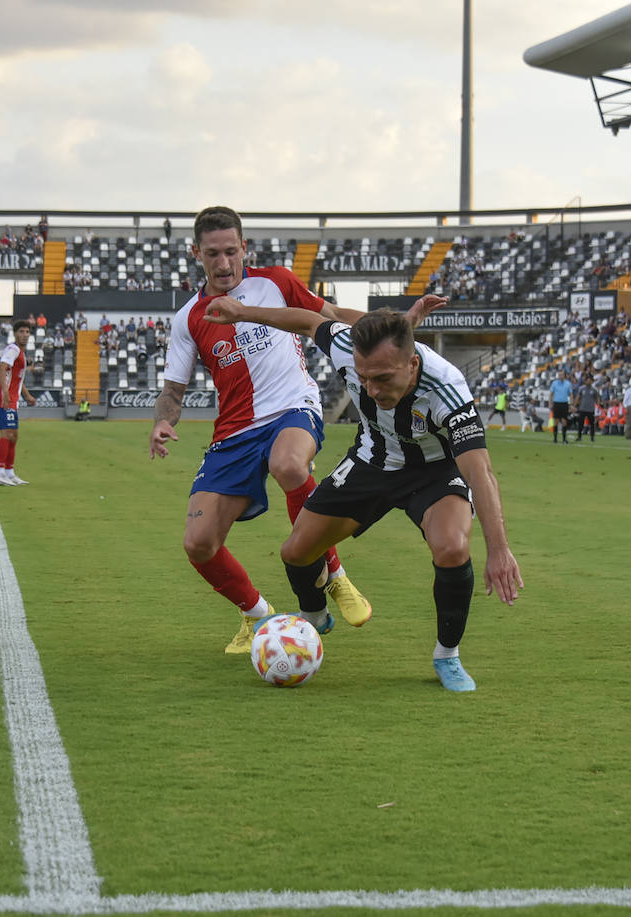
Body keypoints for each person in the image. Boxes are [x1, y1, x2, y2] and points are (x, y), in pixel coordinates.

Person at [203, 302, 521, 692]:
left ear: (413, 367)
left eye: (383, 379)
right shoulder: (345, 347)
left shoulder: (449, 391)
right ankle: (316, 615)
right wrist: (242, 312)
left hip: (434, 473)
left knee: (453, 548)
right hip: (372, 461)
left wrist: (499, 549)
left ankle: (447, 656)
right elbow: (306, 320)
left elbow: (480, 471)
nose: (371, 390)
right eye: (364, 378)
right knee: (295, 552)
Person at [149, 205, 406, 654]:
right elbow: (174, 387)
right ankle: (257, 615)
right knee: (199, 543)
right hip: (234, 431)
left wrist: (396, 329)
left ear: (244, 247)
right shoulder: (188, 318)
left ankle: (335, 576)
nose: (224, 263)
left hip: (293, 407)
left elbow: (328, 314)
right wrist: (162, 423)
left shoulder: (276, 283)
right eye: (213, 254)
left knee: (288, 463)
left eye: (231, 251)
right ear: (196, 253)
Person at [0, 319, 38, 485]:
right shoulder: (13, 349)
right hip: (4, 399)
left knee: (14, 436)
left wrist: (27, 396)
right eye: (21, 332)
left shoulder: (21, 353)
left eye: (27, 332)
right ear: (15, 333)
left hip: (13, 400)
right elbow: (2, 368)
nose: (25, 335)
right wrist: (5, 392)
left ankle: (9, 473)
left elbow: (18, 379)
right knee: (7, 434)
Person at [549, 370, 573, 444]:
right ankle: (555, 438)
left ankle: (564, 439)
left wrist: (571, 404)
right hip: (556, 403)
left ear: (564, 375)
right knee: (555, 421)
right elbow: (551, 394)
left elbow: (571, 394)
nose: (560, 376)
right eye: (559, 375)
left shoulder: (568, 384)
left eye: (562, 375)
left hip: (564, 404)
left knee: (564, 421)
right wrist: (550, 403)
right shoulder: (554, 383)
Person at [575, 376, 600, 442]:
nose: (589, 382)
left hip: (590, 409)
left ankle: (592, 437)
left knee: (592, 424)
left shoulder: (594, 390)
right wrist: (575, 405)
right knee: (581, 423)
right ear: (585, 381)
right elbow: (578, 397)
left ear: (592, 381)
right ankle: (579, 436)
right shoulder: (581, 389)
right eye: (587, 380)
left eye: (590, 380)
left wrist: (598, 405)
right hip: (582, 408)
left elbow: (597, 398)